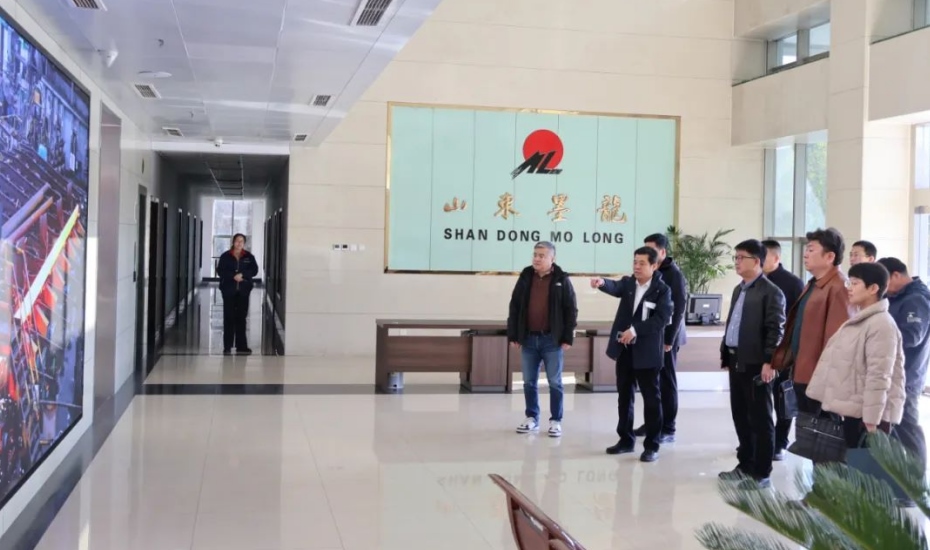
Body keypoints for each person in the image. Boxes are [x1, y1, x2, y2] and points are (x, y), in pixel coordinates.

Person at [806, 262, 905, 454]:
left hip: (869, 418)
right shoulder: (862, 319)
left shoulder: (881, 324)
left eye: (855, 283)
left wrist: (871, 420)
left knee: (864, 467)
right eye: (849, 283)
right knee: (852, 463)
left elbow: (879, 375)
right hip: (857, 412)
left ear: (873, 288)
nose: (849, 288)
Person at [592, 247, 673, 463]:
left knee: (651, 399)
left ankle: (652, 446)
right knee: (624, 396)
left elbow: (661, 319)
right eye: (635, 262)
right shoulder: (629, 284)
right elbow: (615, 286)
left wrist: (635, 330)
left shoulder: (662, 290)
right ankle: (626, 440)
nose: (636, 266)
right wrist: (602, 282)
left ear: (654, 266)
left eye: (642, 263)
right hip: (625, 350)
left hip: (647, 353)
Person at [718, 240, 785, 489]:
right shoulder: (740, 289)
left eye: (741, 257)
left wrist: (769, 361)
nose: (736, 262)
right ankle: (745, 464)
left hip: (758, 364)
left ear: (756, 261)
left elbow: (775, 330)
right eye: (735, 257)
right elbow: (733, 324)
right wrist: (726, 354)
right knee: (741, 415)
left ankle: (762, 472)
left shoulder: (771, 292)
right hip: (738, 359)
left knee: (760, 418)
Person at [772, 228, 852, 413]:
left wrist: (826, 379)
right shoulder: (814, 284)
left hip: (819, 379)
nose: (805, 254)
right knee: (805, 425)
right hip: (803, 371)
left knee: (818, 426)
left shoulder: (839, 287)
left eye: (811, 249)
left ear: (830, 256)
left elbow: (837, 340)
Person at [507, 242, 578, 438]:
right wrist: (513, 334)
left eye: (542, 255)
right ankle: (532, 417)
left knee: (555, 382)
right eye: (535, 255)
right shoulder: (525, 277)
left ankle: (556, 421)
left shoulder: (561, 279)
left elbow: (571, 309)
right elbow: (515, 306)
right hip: (529, 339)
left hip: (552, 340)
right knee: (529, 382)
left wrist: (567, 336)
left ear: (552, 259)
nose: (537, 259)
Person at [632, 233, 688, 443]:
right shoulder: (650, 271)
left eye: (652, 250)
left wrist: (669, 340)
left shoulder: (673, 274)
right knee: (651, 383)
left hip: (667, 338)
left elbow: (679, 308)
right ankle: (653, 423)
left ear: (663, 252)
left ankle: (668, 428)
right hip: (651, 335)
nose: (647, 253)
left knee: (666, 381)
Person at [877, 257, 930, 472]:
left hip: (907, 377)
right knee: (894, 430)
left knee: (907, 430)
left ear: (896, 275)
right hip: (891, 374)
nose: (883, 288)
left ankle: (915, 482)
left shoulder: (916, 299)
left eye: (885, 282)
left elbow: (911, 337)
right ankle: (897, 480)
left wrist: (878, 337)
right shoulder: (897, 297)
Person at [761, 239, 805, 459]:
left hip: (784, 352)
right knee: (760, 401)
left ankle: (780, 442)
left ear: (776, 258)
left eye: (763, 256)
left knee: (782, 399)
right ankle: (762, 441)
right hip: (761, 350)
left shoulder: (793, 283)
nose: (759, 261)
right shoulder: (756, 281)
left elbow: (797, 320)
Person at [216, 233, 259, 355]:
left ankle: (241, 346)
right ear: (233, 242)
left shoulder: (249, 257)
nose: (239, 243)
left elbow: (254, 270)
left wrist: (243, 275)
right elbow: (220, 271)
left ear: (244, 243)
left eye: (241, 241)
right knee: (228, 318)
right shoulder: (225, 256)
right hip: (228, 291)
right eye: (237, 241)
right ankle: (227, 346)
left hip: (243, 292)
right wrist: (233, 276)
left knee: (241, 318)